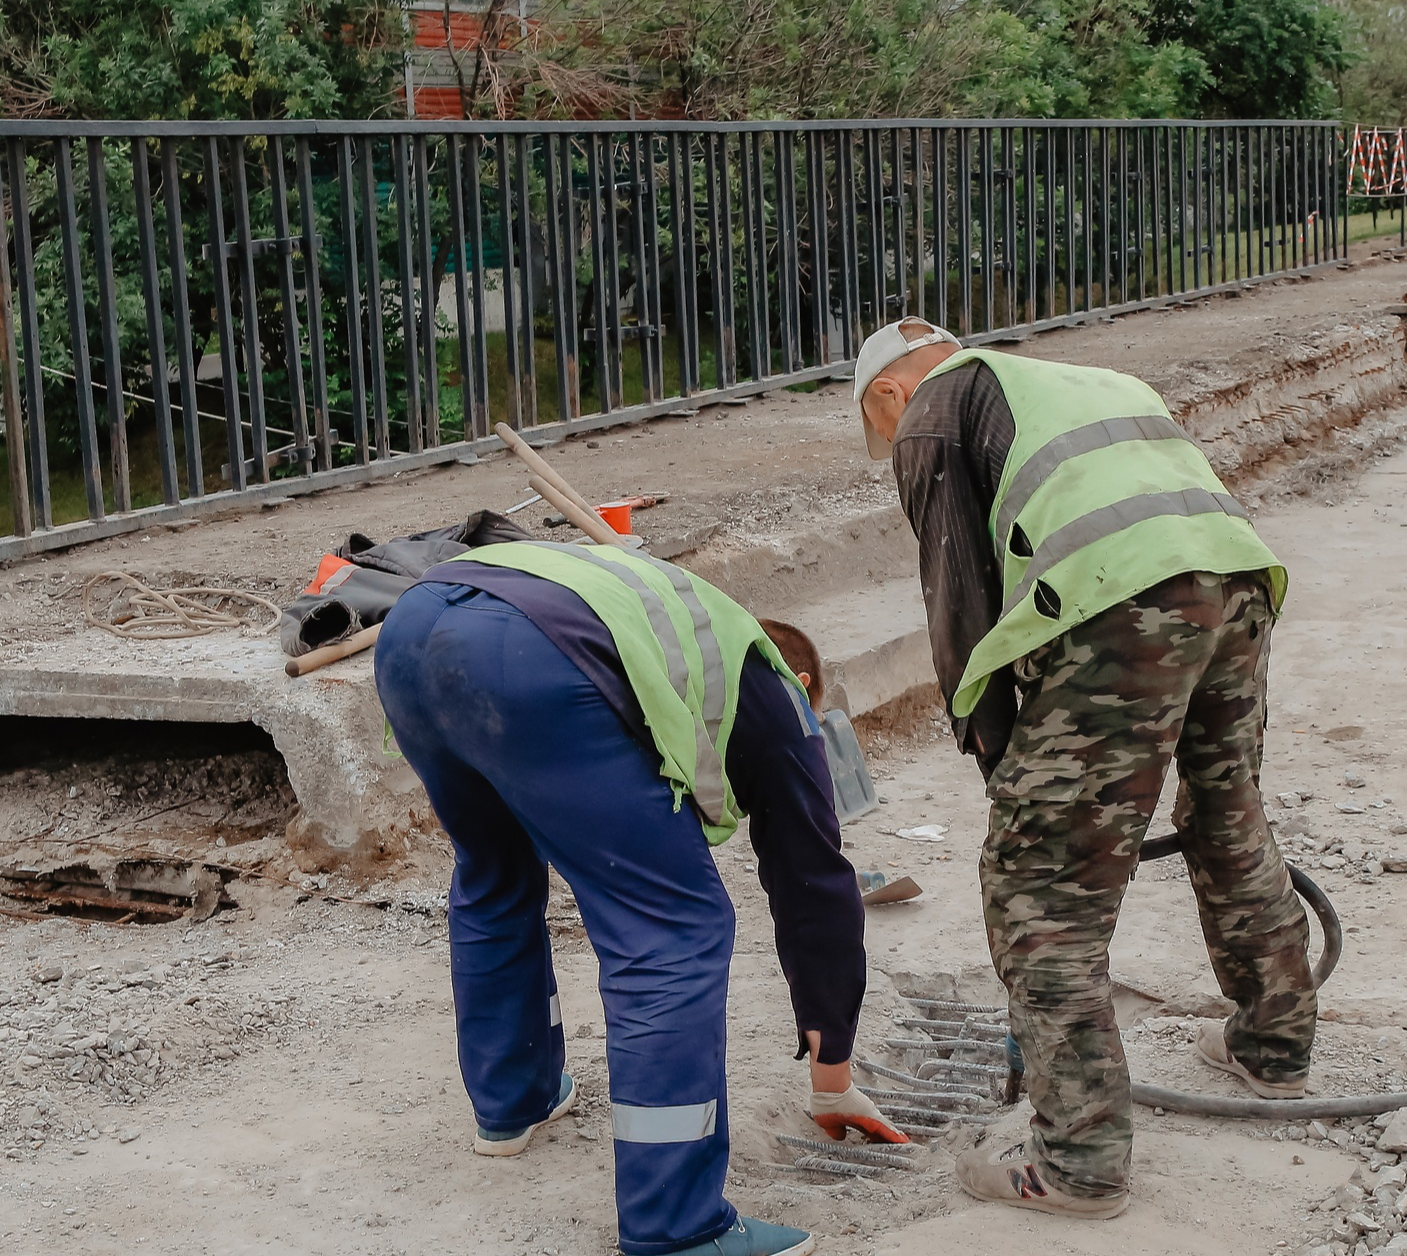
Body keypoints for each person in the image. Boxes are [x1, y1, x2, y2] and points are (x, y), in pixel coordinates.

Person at [852, 317, 1319, 1219]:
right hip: (1238, 582)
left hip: (1124, 602)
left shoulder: (930, 414)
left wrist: (999, 756)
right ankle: (1274, 1050)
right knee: (1227, 809)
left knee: (1041, 886)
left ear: (888, 395)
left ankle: (1077, 1161)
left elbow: (959, 599)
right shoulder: (1077, 383)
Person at [374, 538, 905, 1256]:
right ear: (803, 678)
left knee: (493, 869)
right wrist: (833, 1074)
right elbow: (815, 885)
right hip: (530, 656)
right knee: (674, 931)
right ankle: (677, 1225)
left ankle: (514, 1102)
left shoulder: (679, 633)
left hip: (414, 630)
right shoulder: (780, 697)